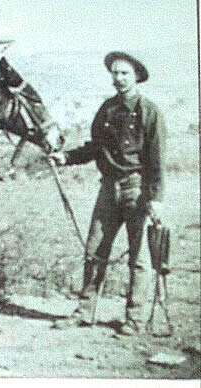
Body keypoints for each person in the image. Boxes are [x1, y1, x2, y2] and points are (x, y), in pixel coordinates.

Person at [48, 51, 166, 335]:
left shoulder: (150, 111)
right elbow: (94, 148)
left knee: (139, 259)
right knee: (94, 251)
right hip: (108, 188)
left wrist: (156, 199)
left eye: (124, 73)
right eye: (115, 73)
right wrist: (66, 158)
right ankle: (84, 312)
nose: (119, 78)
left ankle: (134, 319)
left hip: (137, 190)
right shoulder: (106, 109)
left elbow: (157, 158)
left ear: (136, 76)